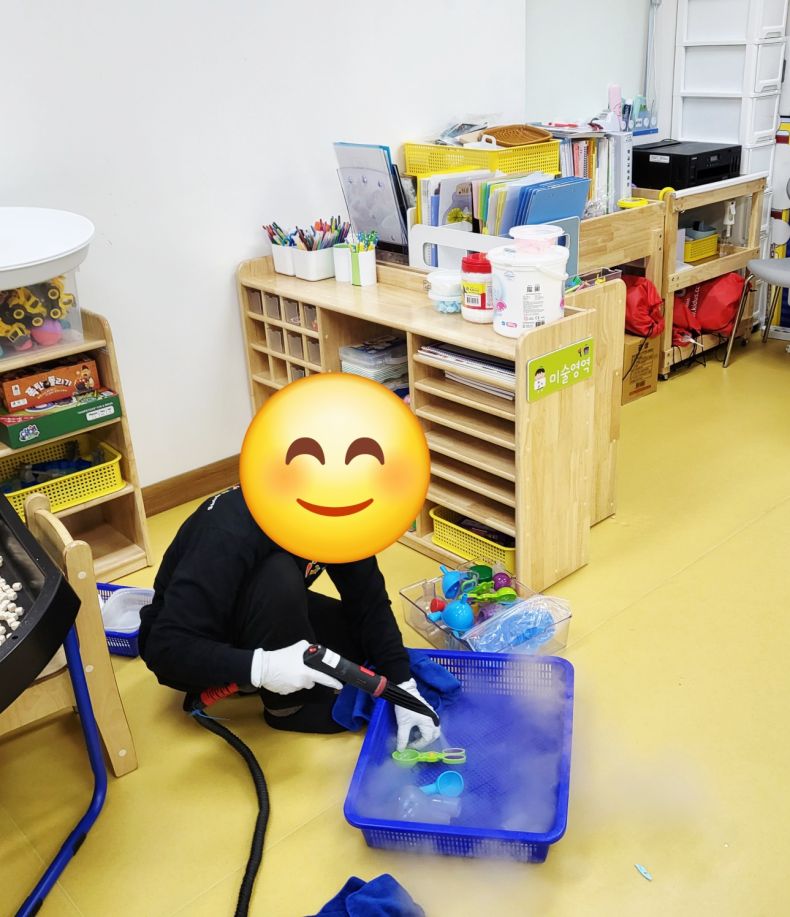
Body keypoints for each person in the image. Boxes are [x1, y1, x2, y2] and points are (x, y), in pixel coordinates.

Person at [138, 486, 439, 749]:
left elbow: (368, 602)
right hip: (200, 638)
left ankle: (262, 672)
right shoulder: (228, 531)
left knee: (359, 645)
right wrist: (262, 667)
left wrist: (404, 687)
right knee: (279, 573)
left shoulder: (340, 512)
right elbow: (164, 650)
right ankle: (287, 708)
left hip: (259, 601)